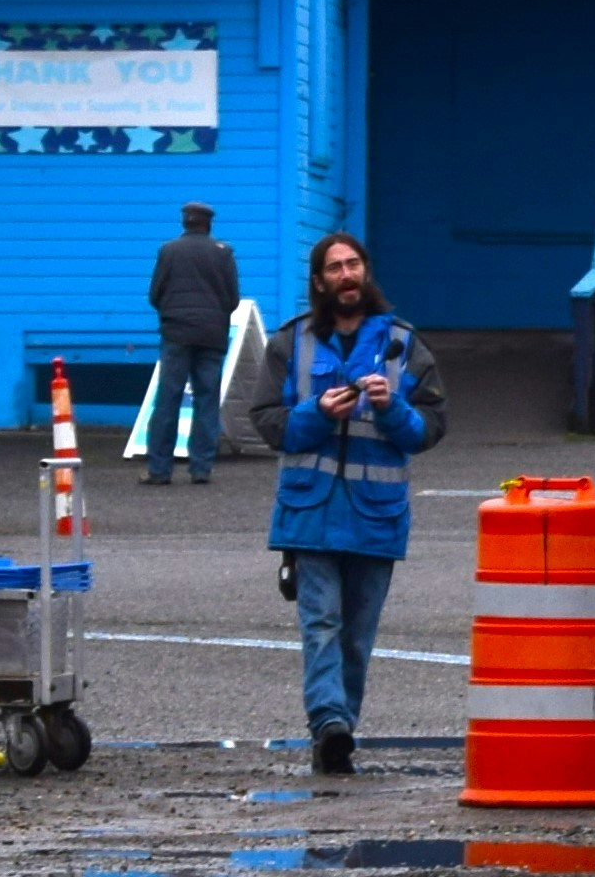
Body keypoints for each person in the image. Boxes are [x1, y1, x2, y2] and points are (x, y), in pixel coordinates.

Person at [259, 234, 446, 776]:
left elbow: (430, 428)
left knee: (357, 637)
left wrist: (392, 411)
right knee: (321, 624)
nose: (346, 274)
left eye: (354, 264)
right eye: (335, 267)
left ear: (365, 273)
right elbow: (268, 424)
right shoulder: (290, 343)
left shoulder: (404, 344)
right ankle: (329, 725)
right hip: (310, 514)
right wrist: (315, 413)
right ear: (319, 281)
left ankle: (340, 731)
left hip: (375, 514)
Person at [145, 201, 240, 485]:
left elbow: (155, 294)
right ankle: (201, 468)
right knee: (207, 399)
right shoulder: (223, 252)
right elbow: (232, 298)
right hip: (211, 334)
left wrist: (172, 314)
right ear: (208, 224)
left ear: (184, 223)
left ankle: (159, 469)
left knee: (168, 398)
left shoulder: (168, 250)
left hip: (176, 333)